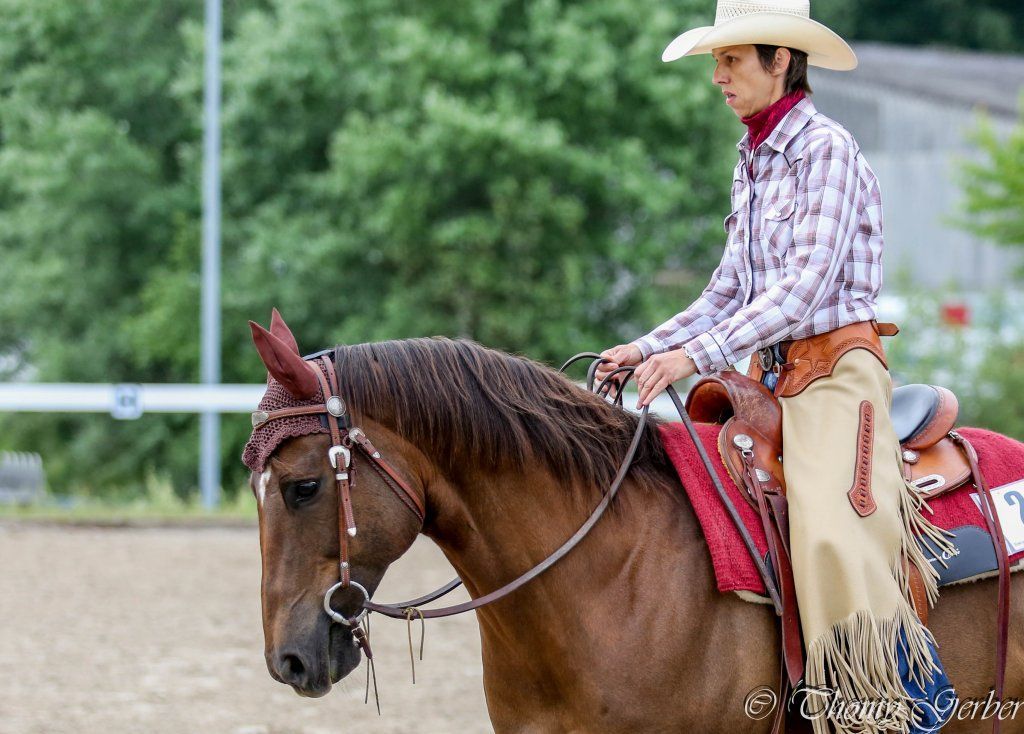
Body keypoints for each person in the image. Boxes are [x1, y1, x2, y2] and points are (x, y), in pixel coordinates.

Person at [596, 2, 958, 732]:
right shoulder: (754, 159)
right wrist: (642, 345)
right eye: (716, 61)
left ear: (781, 61)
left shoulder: (826, 150)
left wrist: (692, 356)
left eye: (731, 61)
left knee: (828, 526)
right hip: (768, 379)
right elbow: (728, 290)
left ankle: (902, 704)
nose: (717, 77)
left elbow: (802, 290)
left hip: (836, 373)